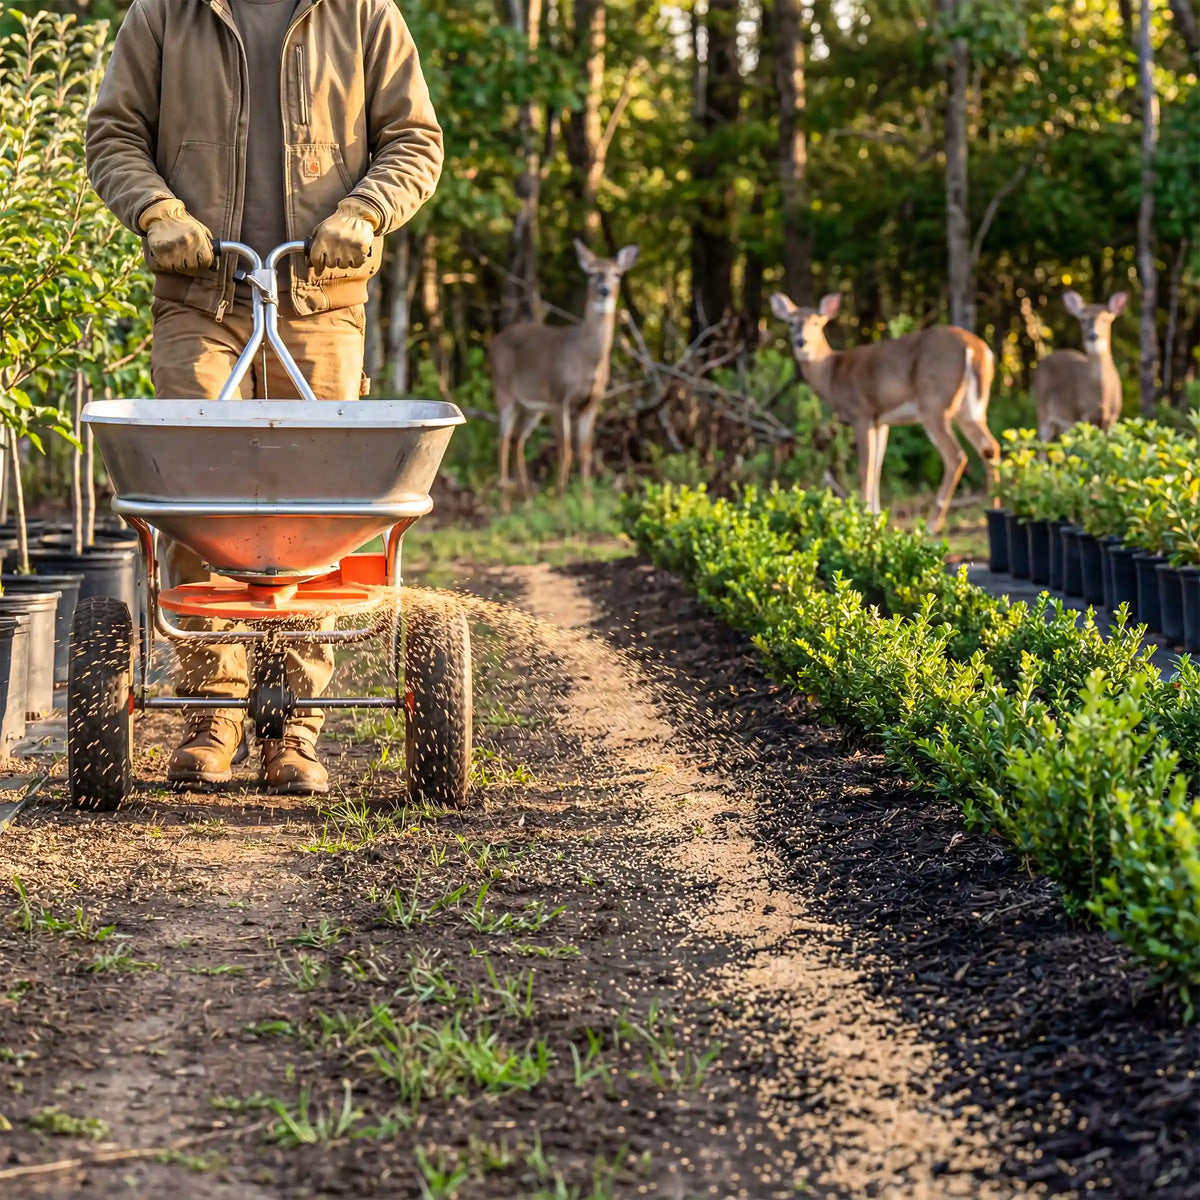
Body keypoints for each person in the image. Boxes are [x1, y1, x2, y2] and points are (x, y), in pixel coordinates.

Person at [85, 0, 443, 795]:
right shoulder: (164, 14)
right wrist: (155, 210)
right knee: (192, 489)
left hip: (318, 297)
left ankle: (292, 728)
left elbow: (416, 140)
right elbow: (113, 134)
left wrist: (366, 208)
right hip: (200, 298)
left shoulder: (362, 14)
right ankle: (213, 709)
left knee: (319, 504)